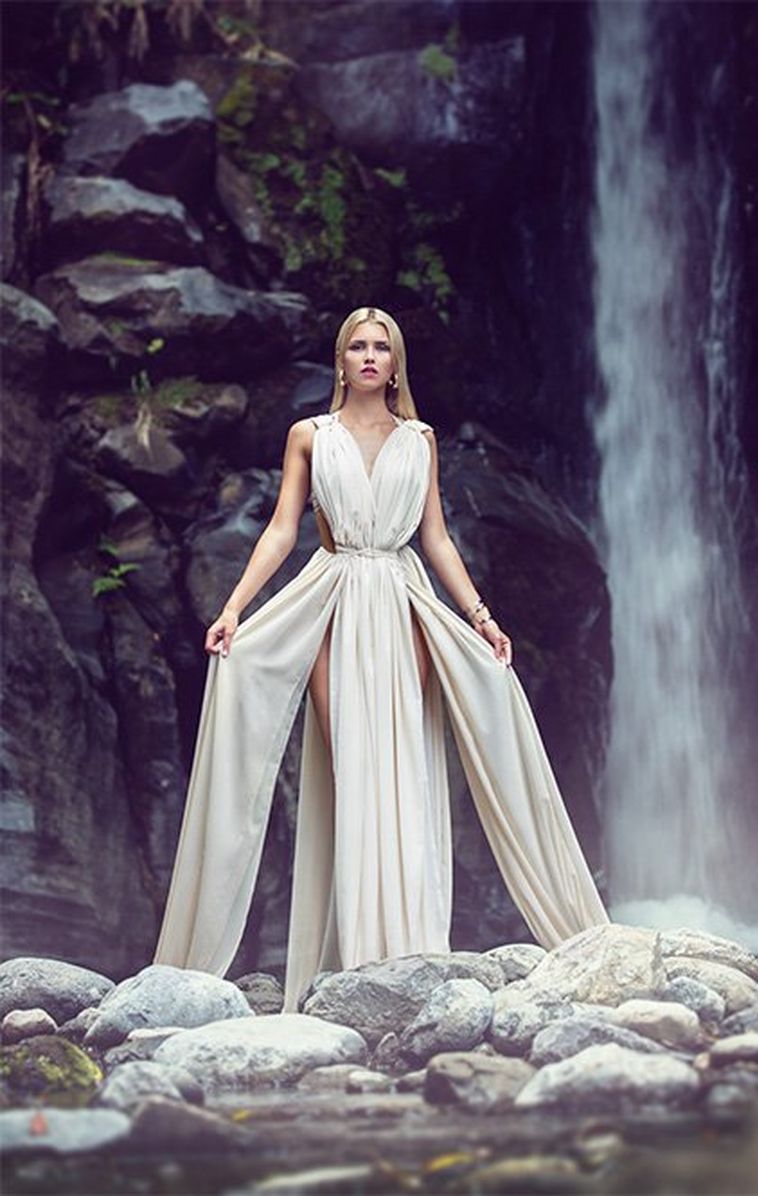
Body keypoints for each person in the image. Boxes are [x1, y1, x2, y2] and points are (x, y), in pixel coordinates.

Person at [152, 305, 611, 1011]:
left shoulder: (419, 440)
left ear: (396, 364)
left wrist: (482, 618)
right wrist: (234, 607)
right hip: (332, 599)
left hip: (402, 603)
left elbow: (437, 539)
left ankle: (406, 952)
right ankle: (354, 957)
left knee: (402, 767)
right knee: (350, 767)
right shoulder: (310, 435)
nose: (369, 356)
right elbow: (281, 530)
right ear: (340, 361)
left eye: (381, 347)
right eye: (358, 346)